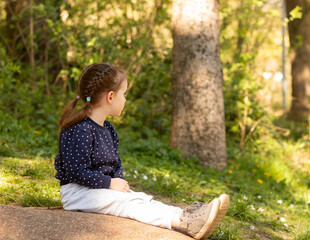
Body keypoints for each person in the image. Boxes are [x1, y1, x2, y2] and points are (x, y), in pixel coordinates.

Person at [54, 63, 229, 239]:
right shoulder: (80, 129)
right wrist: (109, 183)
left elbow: (115, 164)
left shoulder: (108, 129)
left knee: (139, 198)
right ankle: (184, 222)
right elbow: (76, 171)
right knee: (127, 204)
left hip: (99, 189)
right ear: (111, 97)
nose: (125, 99)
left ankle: (186, 215)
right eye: (124, 94)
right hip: (77, 192)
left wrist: (117, 180)